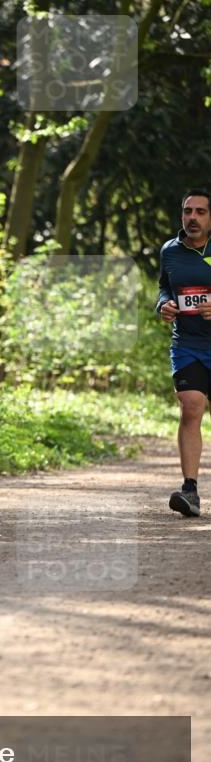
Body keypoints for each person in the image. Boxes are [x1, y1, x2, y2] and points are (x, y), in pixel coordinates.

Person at [157, 189, 211, 517]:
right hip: (188, 344)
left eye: (200, 212)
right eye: (187, 211)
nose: (192, 217)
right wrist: (162, 304)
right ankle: (189, 491)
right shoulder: (170, 251)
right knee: (191, 406)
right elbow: (165, 285)